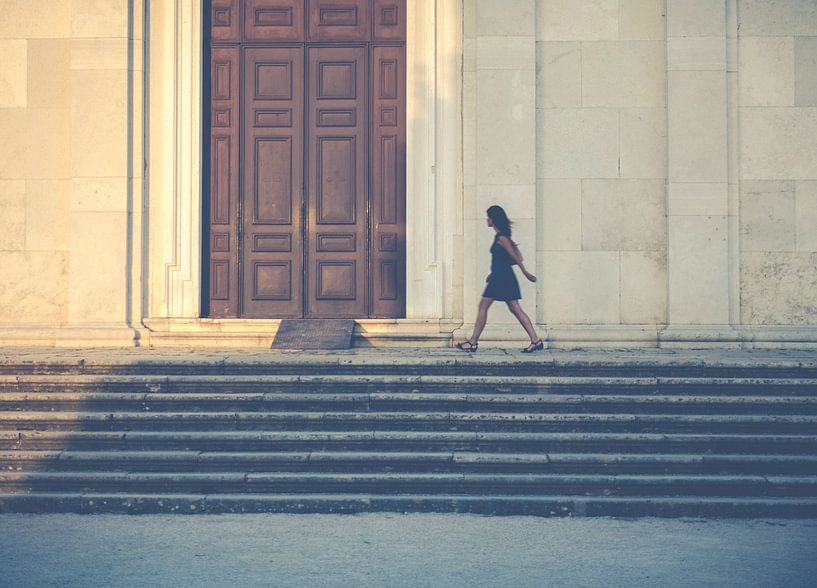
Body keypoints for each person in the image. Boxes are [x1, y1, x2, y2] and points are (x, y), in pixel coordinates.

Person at [456, 205, 543, 353]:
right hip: (501, 276)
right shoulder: (503, 236)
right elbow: (513, 257)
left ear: (493, 219)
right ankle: (536, 340)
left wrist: (525, 273)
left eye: (488, 217)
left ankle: (473, 342)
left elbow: (517, 258)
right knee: (514, 308)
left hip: (501, 277)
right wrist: (494, 271)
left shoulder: (502, 238)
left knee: (484, 306)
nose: (487, 219)